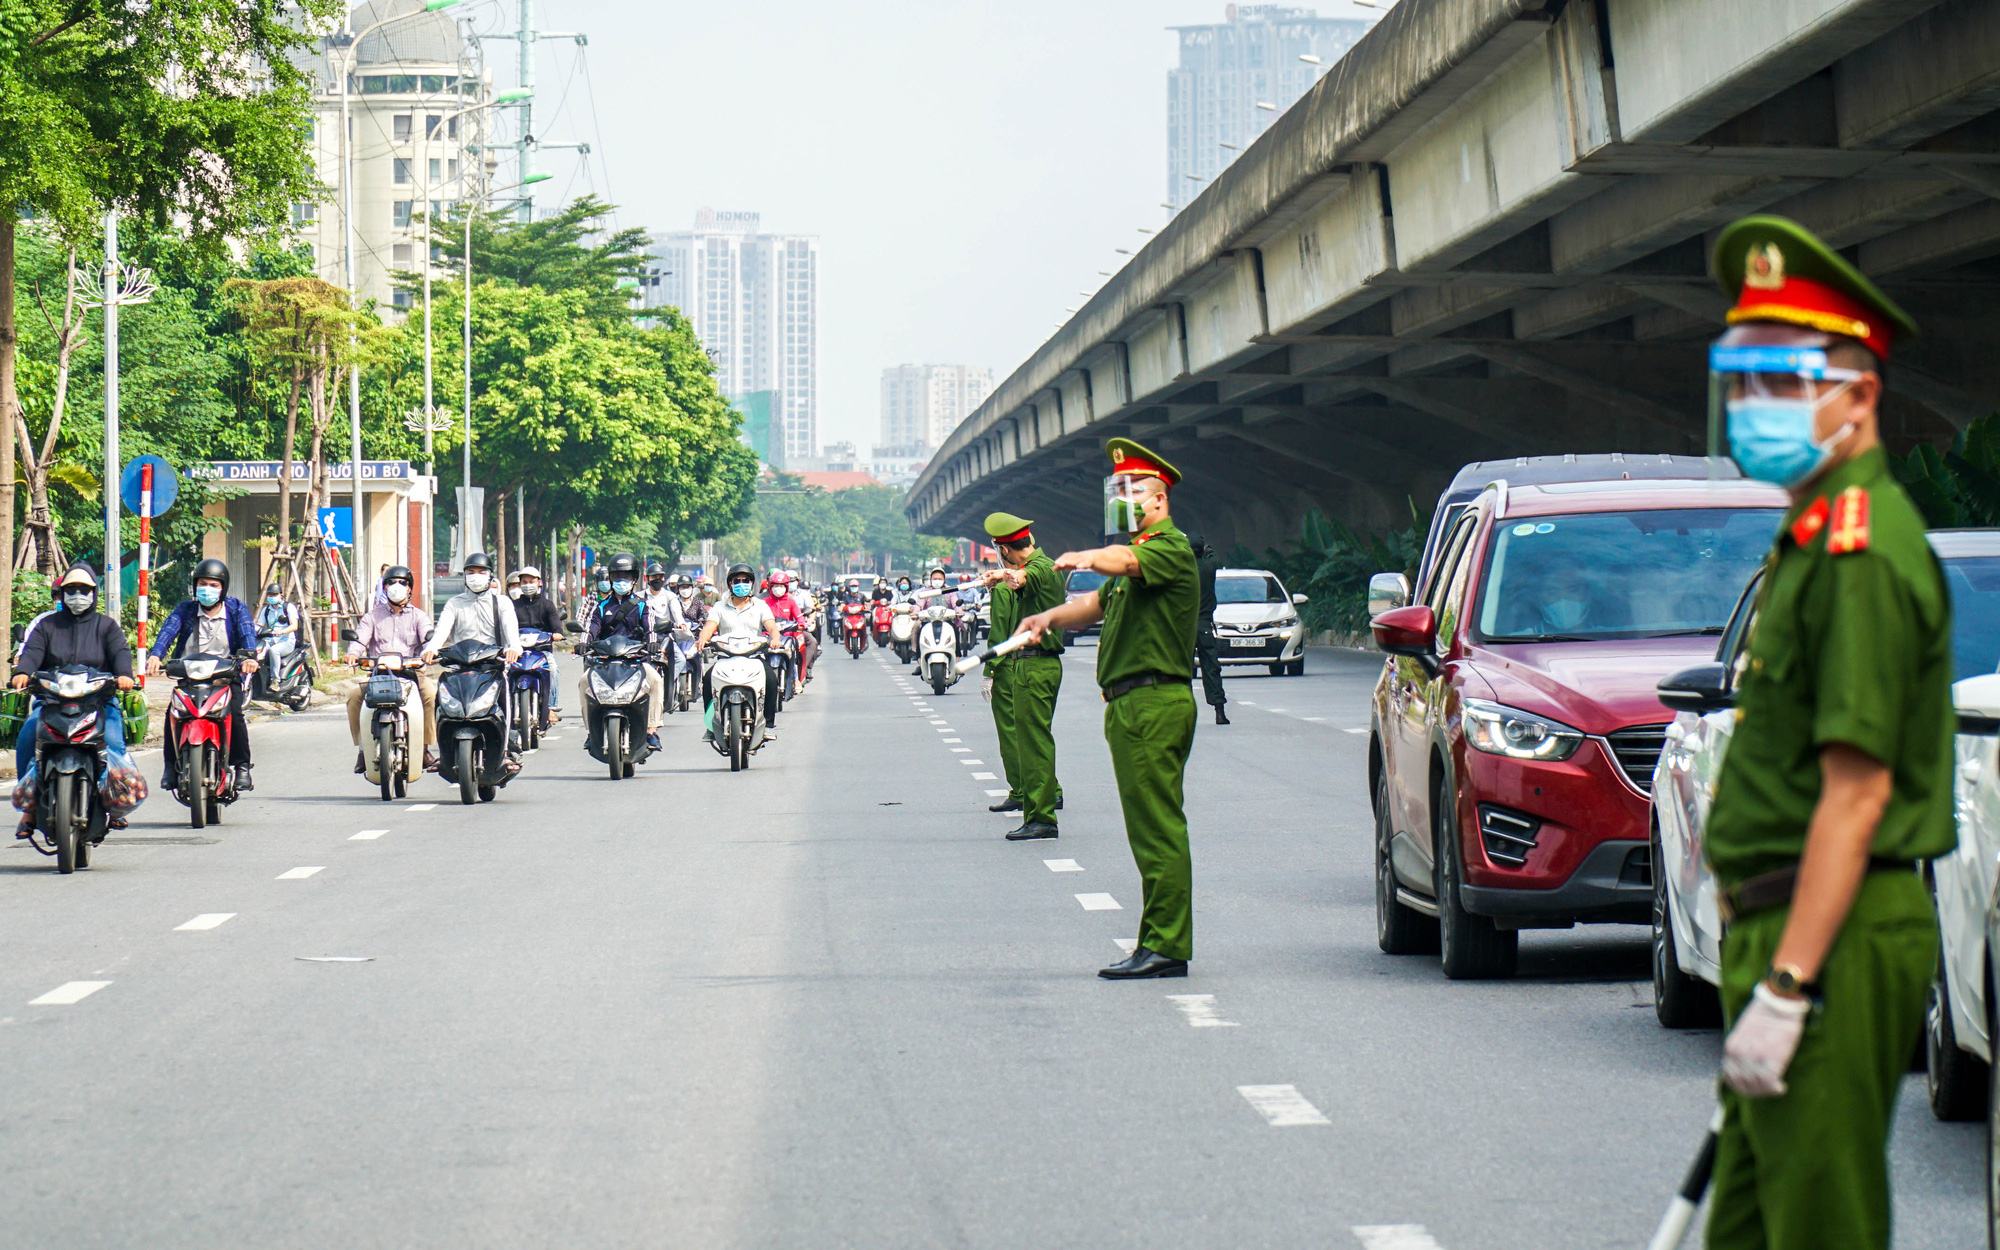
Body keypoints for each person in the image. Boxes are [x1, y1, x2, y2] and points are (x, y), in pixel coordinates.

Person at [1694, 216, 1949, 1250]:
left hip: (1828, 941)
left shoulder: (1859, 551)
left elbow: (1855, 793)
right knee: (1750, 1231)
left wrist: (1790, 984)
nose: (1753, 406)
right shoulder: (1805, 538)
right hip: (1782, 929)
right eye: (1740, 381)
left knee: (1818, 1231)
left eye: (1781, 381)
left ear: (1856, 394)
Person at [1016, 439, 1198, 980]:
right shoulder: (1138, 559)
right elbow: (1096, 603)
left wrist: (1087, 556)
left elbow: (1122, 561)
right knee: (1147, 827)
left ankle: (1166, 943)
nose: (1122, 500)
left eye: (1132, 491)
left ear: (1158, 499)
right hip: (1130, 703)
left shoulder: (1167, 548)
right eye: (1118, 491)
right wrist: (1047, 617)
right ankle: (1158, 939)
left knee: (1157, 827)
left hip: (1152, 701)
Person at [12, 565, 136, 834]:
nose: (77, 595)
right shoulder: (47, 626)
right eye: (70, 590)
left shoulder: (107, 626)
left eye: (83, 590)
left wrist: (125, 674)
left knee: (113, 742)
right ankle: (30, 809)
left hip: (98, 704)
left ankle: (116, 802)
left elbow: (121, 653)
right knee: (27, 737)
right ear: (61, 594)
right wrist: (22, 672)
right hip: (53, 704)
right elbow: (32, 653)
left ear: (94, 593)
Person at [980, 512, 1065, 840]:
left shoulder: (1039, 569)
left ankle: (1042, 816)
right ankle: (1037, 811)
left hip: (1034, 664)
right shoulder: (1045, 565)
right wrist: (1003, 576)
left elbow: (1024, 578)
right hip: (1035, 663)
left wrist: (1007, 577)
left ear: (1004, 550)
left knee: (1033, 743)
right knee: (1033, 741)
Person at [149, 557, 261, 793]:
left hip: (225, 679)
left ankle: (242, 767)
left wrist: (250, 658)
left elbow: (247, 635)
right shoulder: (186, 610)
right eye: (202, 584)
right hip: (189, 679)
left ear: (223, 588)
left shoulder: (236, 609)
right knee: (173, 714)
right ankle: (170, 767)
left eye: (213, 585)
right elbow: (169, 629)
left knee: (237, 715)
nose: (207, 590)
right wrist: (156, 655)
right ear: (194, 586)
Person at [422, 551, 524, 771]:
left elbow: (511, 632)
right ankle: (445, 753)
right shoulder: (454, 604)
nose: (476, 576)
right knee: (442, 699)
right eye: (471, 572)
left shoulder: (502, 603)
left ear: (490, 576)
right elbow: (441, 632)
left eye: (481, 572)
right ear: (464, 576)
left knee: (505, 697)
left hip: (492, 667)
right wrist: (431, 649)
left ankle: (505, 752)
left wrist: (513, 648)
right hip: (460, 666)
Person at [345, 564, 437, 773]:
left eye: (402, 583)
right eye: (391, 582)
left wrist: (430, 652)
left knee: (431, 694)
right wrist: (353, 653)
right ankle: (363, 749)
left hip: (412, 673)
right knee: (353, 697)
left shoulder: (419, 617)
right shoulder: (372, 616)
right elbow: (360, 641)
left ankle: (424, 748)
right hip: (379, 674)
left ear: (410, 588)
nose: (397, 586)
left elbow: (428, 639)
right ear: (384, 588)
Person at [581, 553, 667, 751]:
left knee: (655, 680)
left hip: (635, 660)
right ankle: (590, 732)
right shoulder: (600, 607)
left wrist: (653, 643)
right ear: (611, 578)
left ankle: (652, 731)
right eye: (618, 576)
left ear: (634, 579)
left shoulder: (643, 606)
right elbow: (590, 629)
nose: (622, 581)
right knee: (584, 681)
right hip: (605, 660)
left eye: (627, 576)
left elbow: (651, 628)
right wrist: (584, 643)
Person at [696, 563, 785, 741]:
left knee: (772, 680)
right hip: (725, 658)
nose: (741, 584)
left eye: (746, 581)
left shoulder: (760, 606)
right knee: (707, 681)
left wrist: (775, 639)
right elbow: (709, 627)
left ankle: (767, 724)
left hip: (754, 658)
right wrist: (702, 639)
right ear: (730, 584)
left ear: (752, 584)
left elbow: (772, 627)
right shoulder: (720, 607)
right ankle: (711, 726)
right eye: (737, 581)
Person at [511, 565, 565, 723]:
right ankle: (503, 705)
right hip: (518, 651)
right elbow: (505, 626)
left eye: (531, 581)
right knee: (503, 670)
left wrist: (557, 634)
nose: (528, 585)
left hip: (542, 652)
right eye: (524, 582)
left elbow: (557, 627)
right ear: (520, 584)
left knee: (553, 669)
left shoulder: (547, 605)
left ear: (539, 583)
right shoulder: (513, 606)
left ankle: (551, 708)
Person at [1187, 534, 1229, 725]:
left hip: (1184, 627)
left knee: (1182, 670)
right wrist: (1206, 545)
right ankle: (1219, 712)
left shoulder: (1181, 568)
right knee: (1211, 668)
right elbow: (1212, 554)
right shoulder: (1209, 566)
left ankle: (1183, 712)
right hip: (1204, 624)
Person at [765, 570, 810, 691]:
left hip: (787, 636)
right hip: (767, 637)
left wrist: (801, 624)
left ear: (786, 587)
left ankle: (796, 680)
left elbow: (799, 617)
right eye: (775, 586)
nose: (778, 589)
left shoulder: (791, 602)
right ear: (770, 587)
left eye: (781, 586)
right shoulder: (764, 603)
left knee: (792, 653)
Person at [255, 582, 301, 664]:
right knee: (256, 651)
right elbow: (259, 625)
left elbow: (294, 626)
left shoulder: (289, 607)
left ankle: (275, 677)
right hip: (270, 640)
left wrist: (281, 632)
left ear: (281, 595)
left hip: (286, 641)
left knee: (274, 650)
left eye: (274, 595)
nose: (271, 597)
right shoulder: (266, 610)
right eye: (269, 595)